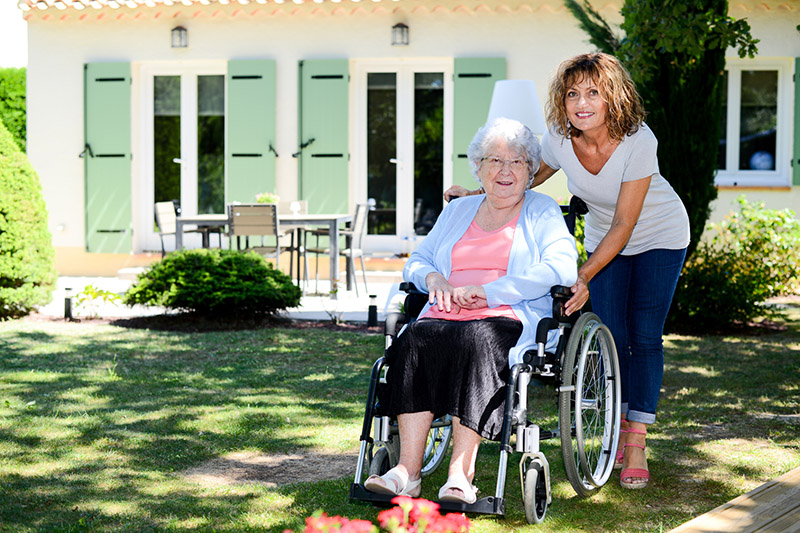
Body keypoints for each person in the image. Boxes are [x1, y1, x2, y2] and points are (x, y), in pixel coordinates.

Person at [445, 53, 690, 490]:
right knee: (614, 337)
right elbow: (528, 177)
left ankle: (635, 442)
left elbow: (626, 224)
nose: (582, 102)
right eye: (574, 93)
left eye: (593, 92)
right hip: (604, 240)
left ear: (613, 96)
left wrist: (584, 275)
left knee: (645, 336)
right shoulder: (560, 137)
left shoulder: (638, 140)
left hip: (658, 237)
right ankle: (618, 427)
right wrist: (478, 191)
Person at [364, 117, 578, 503]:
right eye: (494, 161)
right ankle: (407, 472)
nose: (505, 171)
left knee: (478, 340)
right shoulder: (459, 210)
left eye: (516, 162)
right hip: (443, 312)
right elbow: (418, 259)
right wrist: (434, 280)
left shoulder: (542, 211)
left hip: (506, 316)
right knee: (415, 337)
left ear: (531, 170)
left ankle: (460, 475)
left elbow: (560, 268)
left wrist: (490, 291)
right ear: (478, 167)